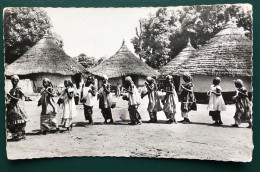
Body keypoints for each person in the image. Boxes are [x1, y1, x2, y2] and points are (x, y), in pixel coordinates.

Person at [6, 75, 29, 141]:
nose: (14, 82)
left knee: (19, 120)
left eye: (15, 80)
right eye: (13, 80)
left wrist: (9, 95)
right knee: (13, 122)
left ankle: (21, 136)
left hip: (18, 107)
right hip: (12, 107)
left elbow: (17, 99)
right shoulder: (11, 90)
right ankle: (16, 135)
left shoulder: (18, 89)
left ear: (18, 81)